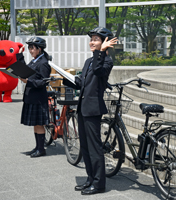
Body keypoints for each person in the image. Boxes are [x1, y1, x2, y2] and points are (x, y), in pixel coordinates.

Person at [62, 27, 118, 195]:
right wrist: (65, 78)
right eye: (91, 39)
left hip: (93, 109)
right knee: (85, 147)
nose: (92, 42)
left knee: (95, 148)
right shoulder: (88, 61)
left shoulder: (106, 61)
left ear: (105, 42)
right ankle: (90, 179)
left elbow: (99, 71)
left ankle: (99, 184)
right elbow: (81, 83)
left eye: (96, 39)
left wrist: (101, 52)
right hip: (82, 108)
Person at [17, 37, 51, 158]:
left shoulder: (43, 63)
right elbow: (25, 70)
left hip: (38, 98)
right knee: (35, 124)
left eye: (32, 48)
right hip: (31, 96)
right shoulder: (35, 60)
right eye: (29, 48)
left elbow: (44, 82)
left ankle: (41, 149)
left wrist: (28, 81)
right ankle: (37, 147)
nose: (30, 50)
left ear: (39, 49)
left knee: (39, 124)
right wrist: (20, 56)